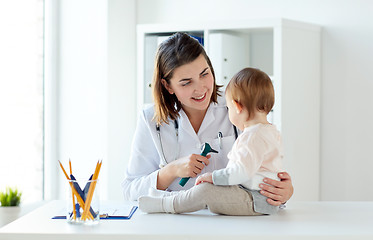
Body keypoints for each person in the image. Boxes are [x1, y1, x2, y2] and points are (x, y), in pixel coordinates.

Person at [121, 32, 293, 207]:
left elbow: (267, 167)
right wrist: (171, 171)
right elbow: (130, 191)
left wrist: (284, 192)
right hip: (176, 223)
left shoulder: (238, 106)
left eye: (204, 74)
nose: (200, 88)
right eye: (186, 82)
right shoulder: (151, 119)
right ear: (168, 86)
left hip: (231, 220)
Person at [138, 67, 283, 215]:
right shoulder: (270, 131)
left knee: (206, 191)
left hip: (254, 198)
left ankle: (167, 204)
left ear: (237, 107)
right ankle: (168, 197)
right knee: (207, 192)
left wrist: (212, 177)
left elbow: (241, 172)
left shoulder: (252, 136)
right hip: (255, 196)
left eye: (229, 108)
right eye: (186, 82)